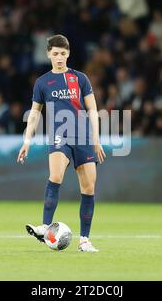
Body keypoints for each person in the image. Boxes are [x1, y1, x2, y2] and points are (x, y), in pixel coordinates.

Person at [17, 34, 106, 252]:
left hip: (83, 136)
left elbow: (92, 109)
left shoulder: (81, 79)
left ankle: (84, 240)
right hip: (59, 135)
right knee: (55, 175)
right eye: (55, 54)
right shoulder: (42, 82)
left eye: (63, 54)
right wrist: (27, 140)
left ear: (68, 54)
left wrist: (96, 138)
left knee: (88, 188)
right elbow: (34, 114)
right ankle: (45, 226)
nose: (59, 58)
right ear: (48, 54)